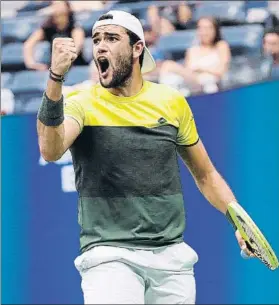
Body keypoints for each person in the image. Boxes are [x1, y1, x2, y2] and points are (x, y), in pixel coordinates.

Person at [37, 10, 253, 304]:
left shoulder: (171, 102)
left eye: (112, 38)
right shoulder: (81, 102)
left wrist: (239, 220)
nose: (100, 46)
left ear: (137, 48)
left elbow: (206, 175)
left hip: (172, 259)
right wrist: (55, 78)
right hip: (110, 257)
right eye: (96, 39)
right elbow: (51, 150)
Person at [159, 16, 231, 94]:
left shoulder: (221, 46)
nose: (204, 32)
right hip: (193, 82)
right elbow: (189, 70)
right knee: (169, 73)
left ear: (215, 30)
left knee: (168, 65)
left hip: (211, 81)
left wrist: (201, 69)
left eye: (207, 28)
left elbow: (221, 71)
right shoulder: (192, 50)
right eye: (200, 28)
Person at [23, 0, 86, 71]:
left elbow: (78, 46)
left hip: (75, 65)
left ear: (67, 7)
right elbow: (28, 45)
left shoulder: (75, 27)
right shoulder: (47, 27)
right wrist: (31, 64)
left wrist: (65, 61)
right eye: (55, 5)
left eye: (60, 4)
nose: (58, 7)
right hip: (55, 67)